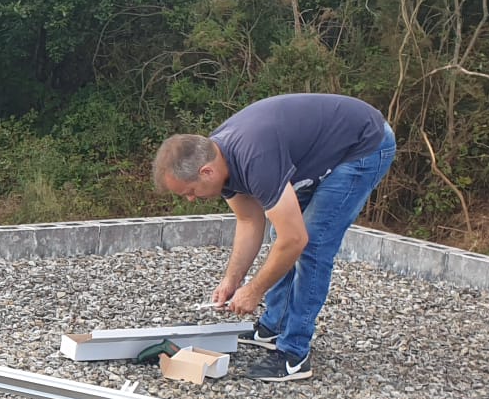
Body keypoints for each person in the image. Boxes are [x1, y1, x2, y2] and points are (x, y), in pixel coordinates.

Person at [153, 93, 396, 382]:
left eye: (189, 191)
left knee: (313, 245)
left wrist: (255, 290)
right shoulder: (219, 159)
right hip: (318, 152)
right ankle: (274, 326)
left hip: (362, 145)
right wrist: (233, 280)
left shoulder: (255, 159)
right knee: (279, 232)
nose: (191, 199)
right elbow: (248, 220)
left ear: (206, 172)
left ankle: (294, 355)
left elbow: (295, 240)